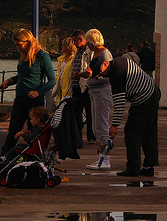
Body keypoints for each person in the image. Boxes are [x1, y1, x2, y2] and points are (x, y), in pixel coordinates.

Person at [91, 55, 161, 177]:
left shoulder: (116, 75)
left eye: (101, 72)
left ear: (106, 64)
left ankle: (133, 168)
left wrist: (114, 126)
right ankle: (149, 167)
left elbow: (119, 103)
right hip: (153, 91)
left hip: (143, 98)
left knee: (131, 133)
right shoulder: (121, 61)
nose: (102, 75)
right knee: (149, 132)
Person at [0, 29, 56, 154]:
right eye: (16, 45)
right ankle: (4, 158)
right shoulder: (23, 55)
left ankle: (32, 158)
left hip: (34, 101)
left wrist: (39, 92)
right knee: (13, 132)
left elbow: (52, 81)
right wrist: (9, 80)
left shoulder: (42, 56)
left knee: (33, 133)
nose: (18, 48)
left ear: (28, 42)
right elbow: (23, 75)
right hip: (20, 99)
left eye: (20, 44)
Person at [81, 28, 113, 170]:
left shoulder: (105, 54)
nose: (87, 45)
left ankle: (105, 159)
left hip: (102, 92)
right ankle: (100, 157)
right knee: (95, 125)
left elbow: (107, 75)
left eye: (88, 41)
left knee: (101, 125)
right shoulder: (94, 53)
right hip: (94, 92)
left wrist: (93, 76)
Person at [69, 29, 94, 143]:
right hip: (75, 87)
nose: (73, 44)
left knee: (89, 113)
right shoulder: (77, 52)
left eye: (75, 41)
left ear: (81, 39)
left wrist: (80, 75)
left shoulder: (89, 52)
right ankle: (77, 136)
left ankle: (91, 136)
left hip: (85, 87)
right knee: (76, 113)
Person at [53, 37, 78, 105]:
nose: (61, 47)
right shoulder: (62, 59)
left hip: (68, 89)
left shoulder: (73, 59)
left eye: (63, 45)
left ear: (68, 47)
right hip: (60, 89)